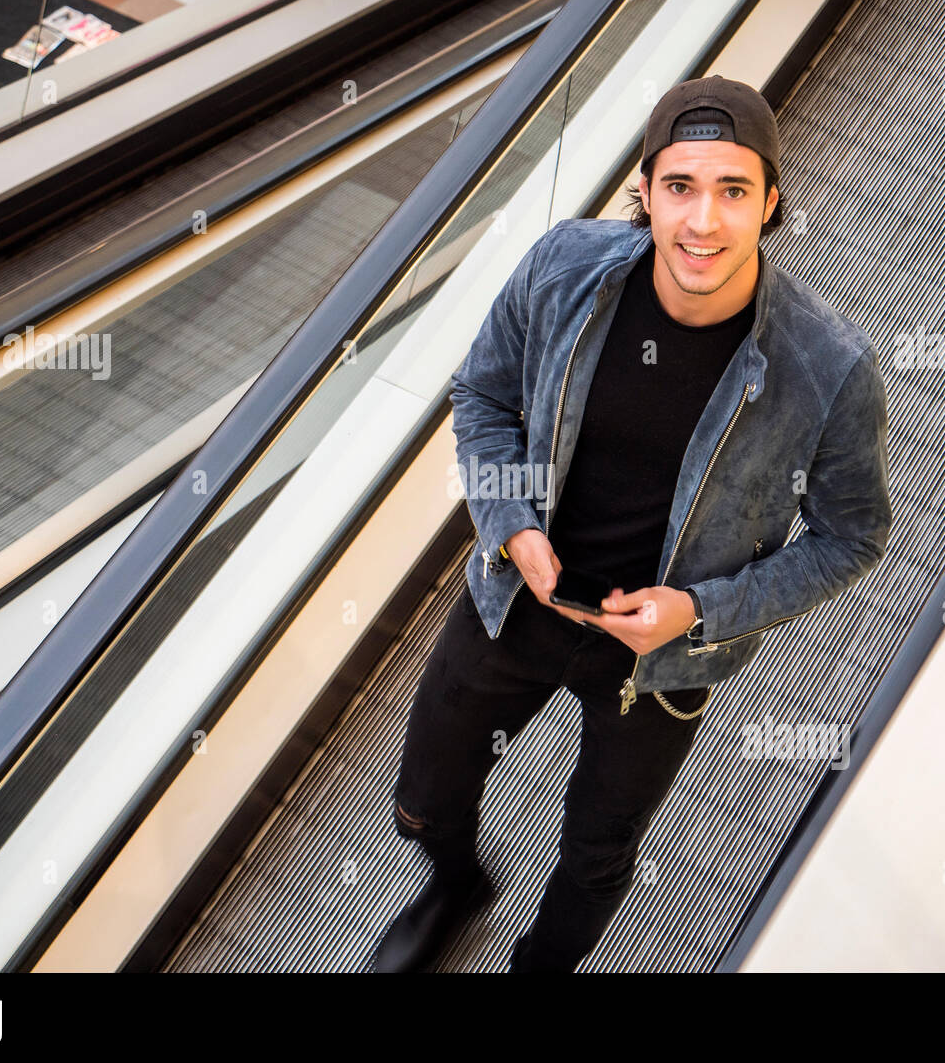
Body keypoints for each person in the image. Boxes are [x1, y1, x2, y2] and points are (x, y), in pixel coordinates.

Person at [372, 75, 893, 972]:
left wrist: (701, 609)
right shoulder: (562, 267)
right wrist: (511, 523)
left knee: (597, 856)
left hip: (662, 655)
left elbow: (851, 536)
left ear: (771, 202)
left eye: (733, 191)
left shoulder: (830, 369)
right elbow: (483, 395)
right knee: (423, 793)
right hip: (518, 597)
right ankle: (456, 887)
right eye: (681, 187)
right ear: (644, 191)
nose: (702, 221)